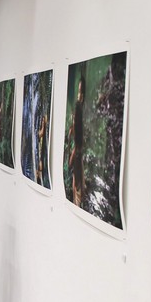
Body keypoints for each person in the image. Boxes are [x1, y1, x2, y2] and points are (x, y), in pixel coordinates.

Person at [68, 76, 85, 205]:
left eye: (80, 92)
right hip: (77, 157)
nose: (78, 95)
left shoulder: (80, 111)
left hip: (78, 157)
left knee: (77, 190)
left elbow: (78, 145)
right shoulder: (78, 110)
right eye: (78, 92)